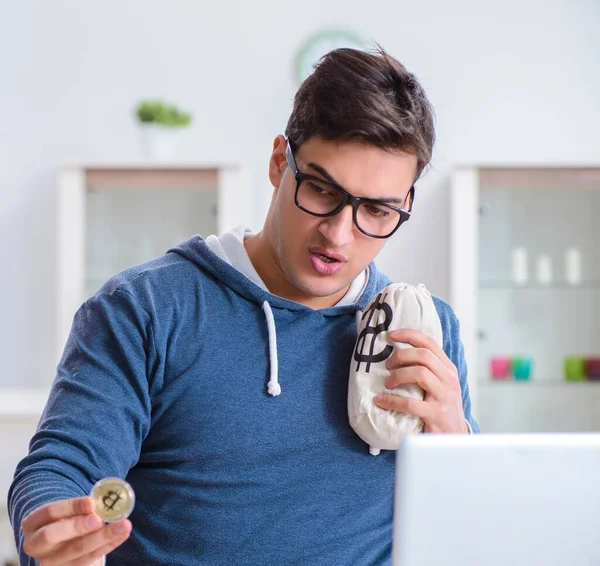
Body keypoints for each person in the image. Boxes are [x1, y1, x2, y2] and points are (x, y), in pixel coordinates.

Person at [8, 46, 478, 565]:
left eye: (376, 210)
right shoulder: (144, 309)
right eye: (322, 190)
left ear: (405, 204)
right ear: (280, 161)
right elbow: (62, 468)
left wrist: (458, 448)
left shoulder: (431, 331)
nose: (339, 234)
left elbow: (468, 530)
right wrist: (58, 532)